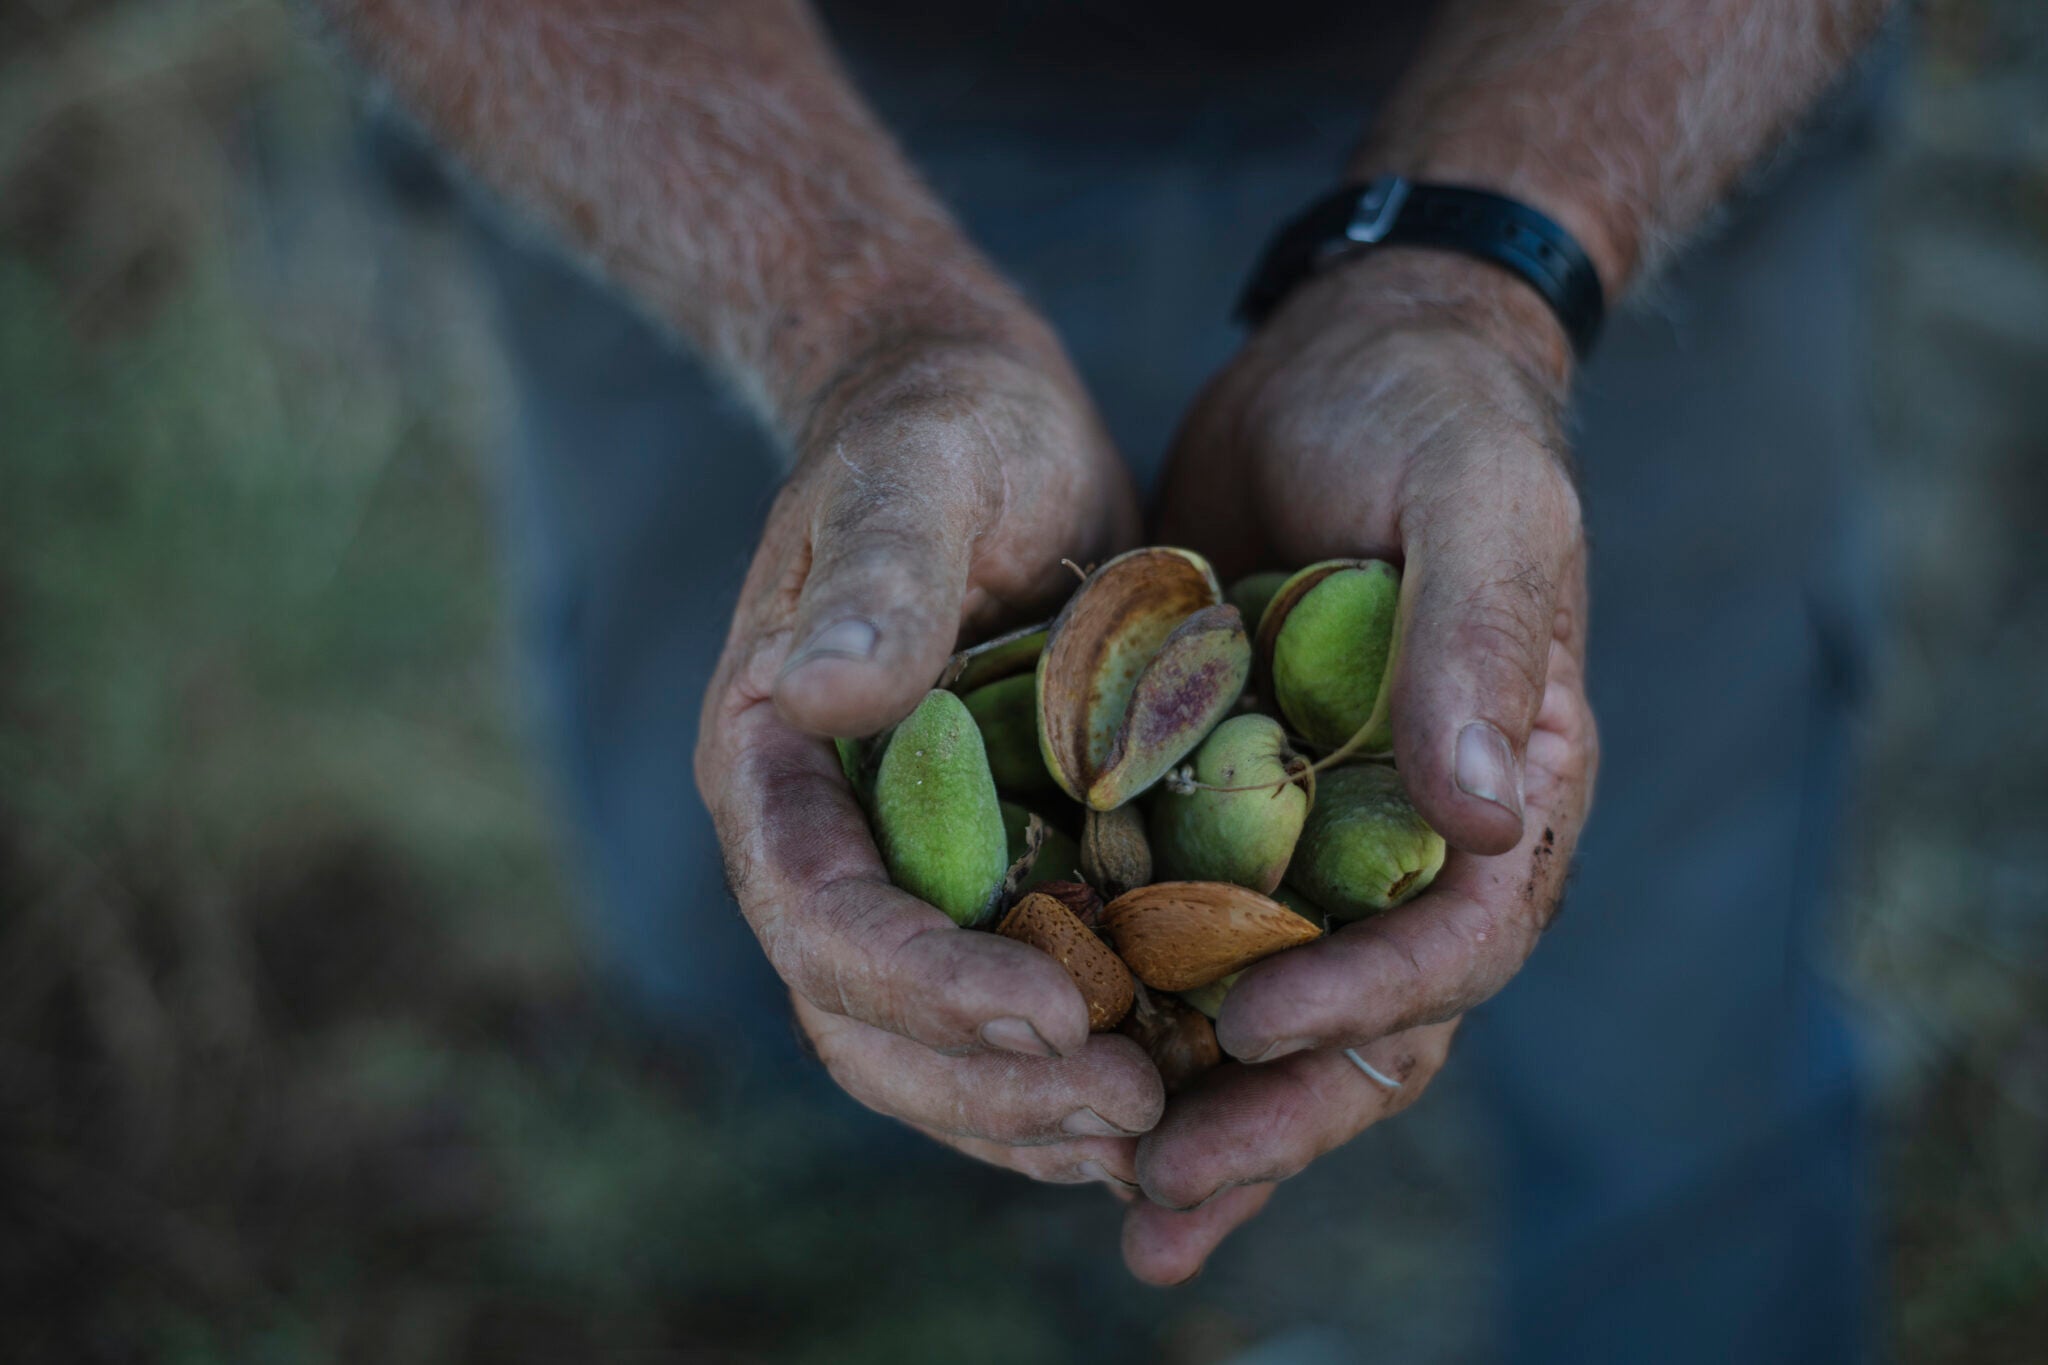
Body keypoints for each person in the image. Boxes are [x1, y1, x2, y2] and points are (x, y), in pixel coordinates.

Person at [323, 2, 1894, 1357]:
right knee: (788, 1016)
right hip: (732, 107)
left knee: (1677, 1051)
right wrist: (851, 318)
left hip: (1573, 84)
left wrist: (1474, 278)